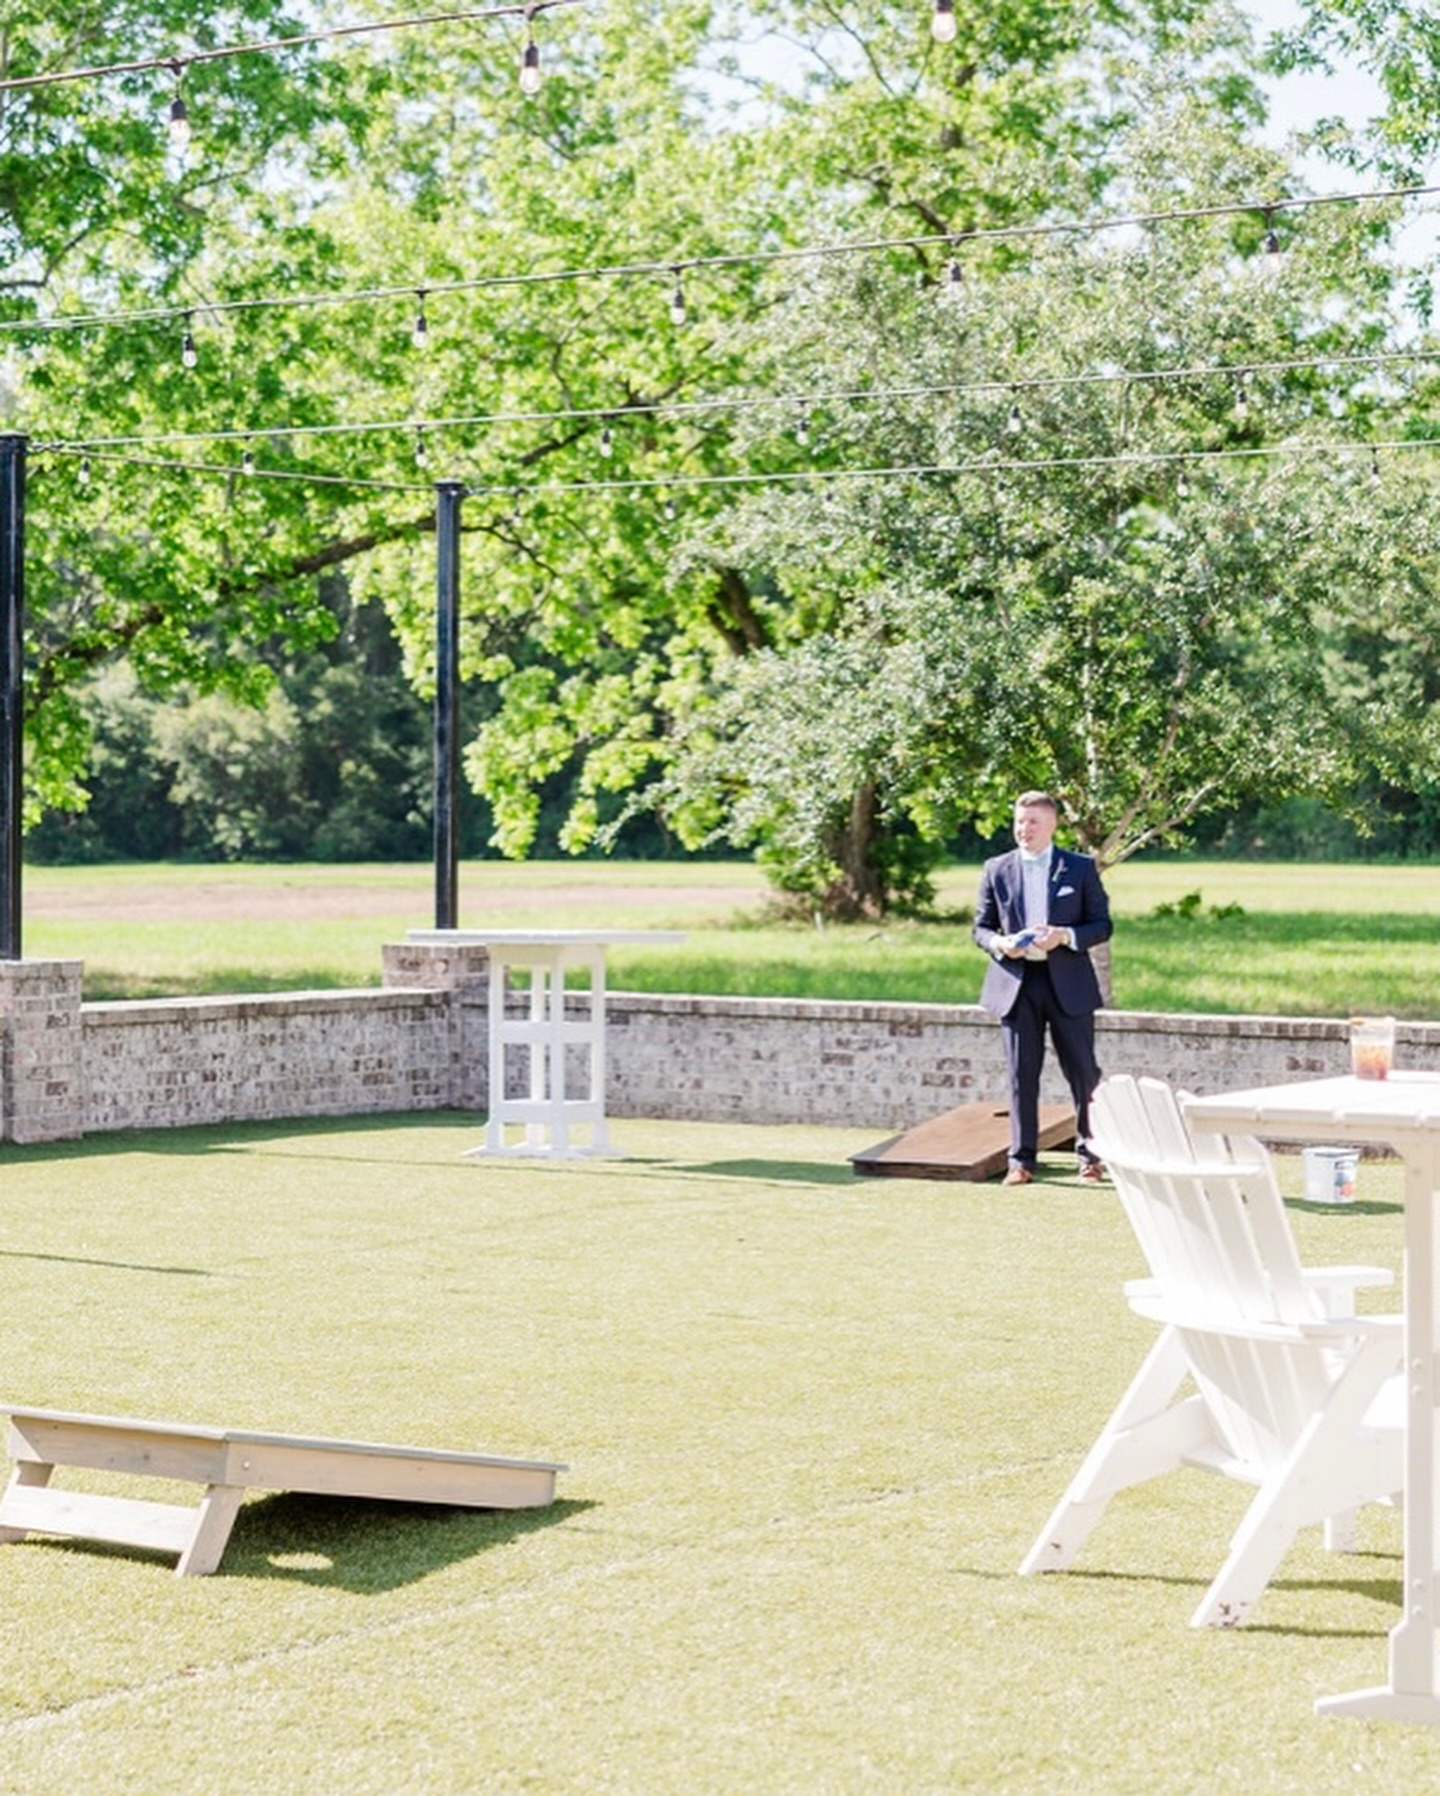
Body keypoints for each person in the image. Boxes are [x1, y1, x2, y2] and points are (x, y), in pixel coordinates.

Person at [972, 791, 1112, 1185]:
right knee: (1021, 1076)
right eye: (1019, 821)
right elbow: (980, 928)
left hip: (1067, 983)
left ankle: (1091, 1156)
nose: (1024, 828)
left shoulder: (1080, 868)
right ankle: (1021, 1161)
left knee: (1083, 1072)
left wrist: (1064, 936)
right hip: (1017, 985)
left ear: (1052, 825)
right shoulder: (996, 868)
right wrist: (1000, 943)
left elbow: (1101, 925)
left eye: (1032, 821)